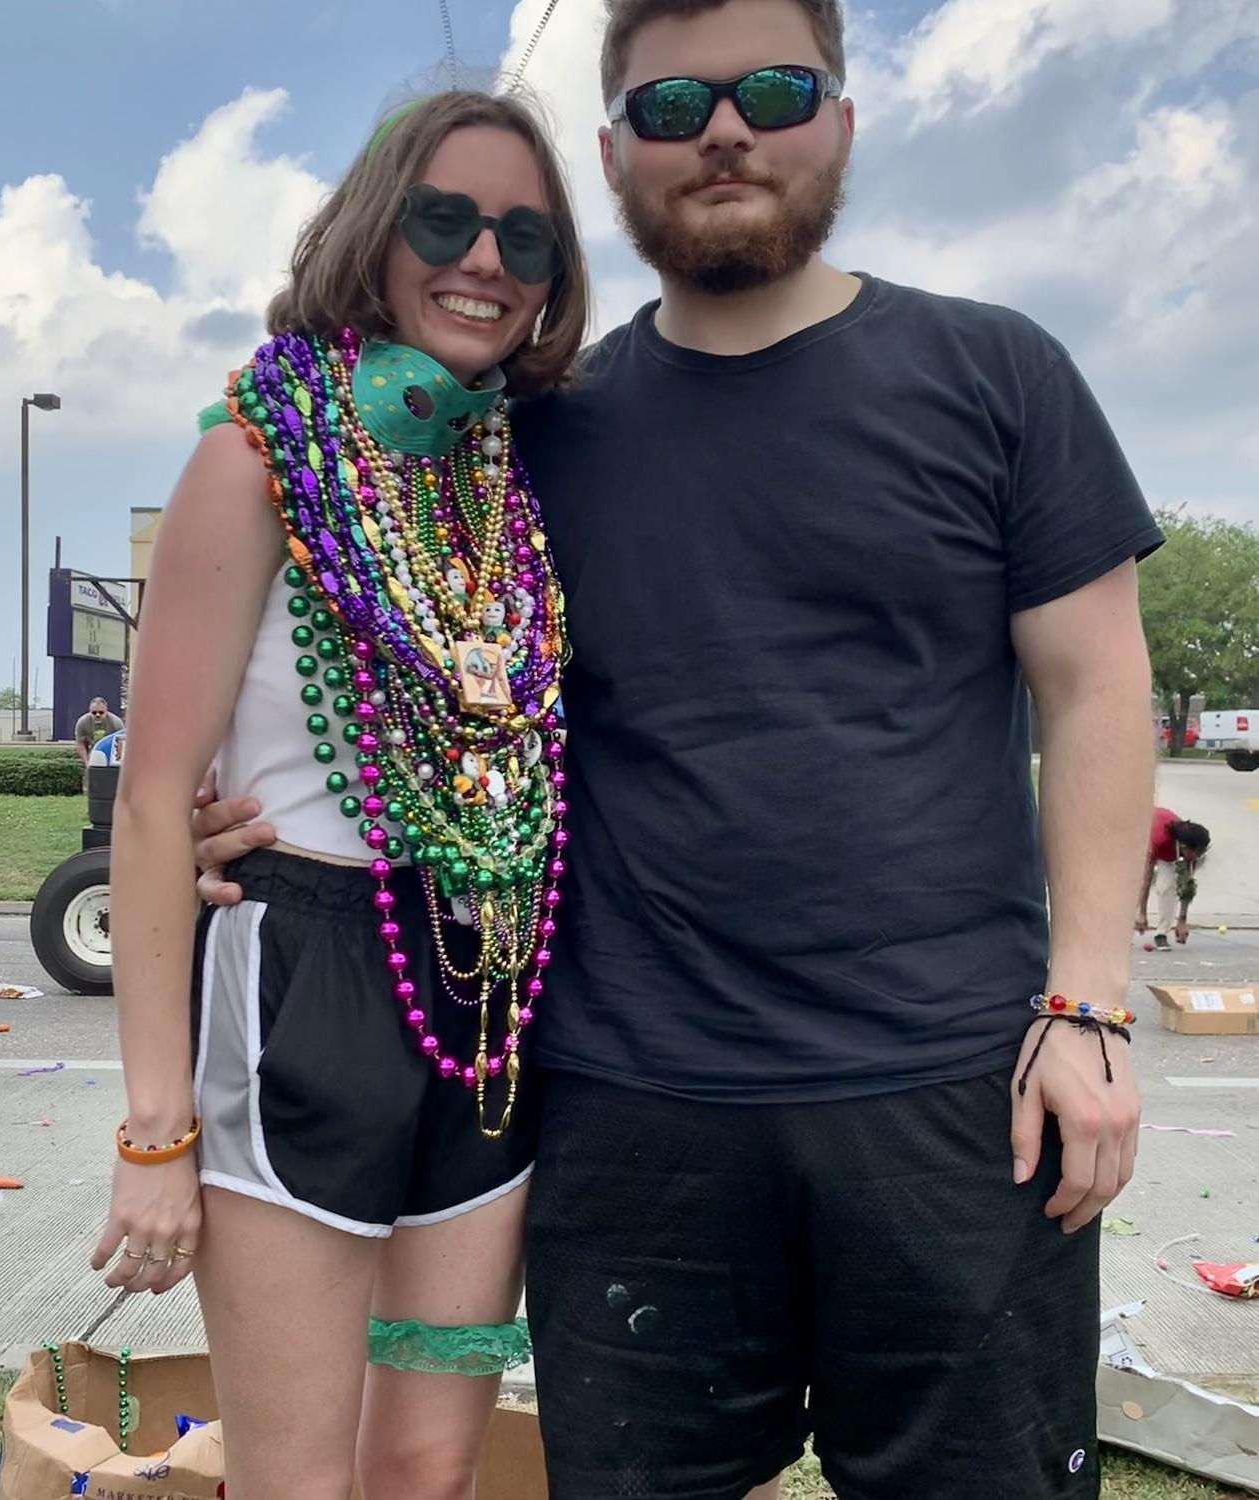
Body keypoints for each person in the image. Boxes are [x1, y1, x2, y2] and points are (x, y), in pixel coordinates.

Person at [195, 2, 1161, 1496]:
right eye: (673, 106)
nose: (725, 129)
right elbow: (366, 639)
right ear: (612, 155)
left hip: (958, 1107)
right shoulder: (527, 434)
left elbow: (1098, 692)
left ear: (841, 117)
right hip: (630, 1119)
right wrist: (223, 818)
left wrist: (1090, 1007)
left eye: (776, 91)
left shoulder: (997, 375)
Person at [93, 88, 588, 1500]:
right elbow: (150, 805)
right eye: (446, 219)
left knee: (427, 1464)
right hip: (305, 968)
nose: (484, 260)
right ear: (374, 233)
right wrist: (152, 1134)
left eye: (526, 236)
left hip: (488, 987)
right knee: (297, 1479)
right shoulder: (255, 461)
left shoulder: (512, 474)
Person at [1137, 808, 1210, 949]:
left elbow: (1186, 886)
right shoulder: (1159, 840)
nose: (1198, 857)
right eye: (1197, 853)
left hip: (1170, 854)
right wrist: (1142, 913)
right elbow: (1146, 877)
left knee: (1167, 887)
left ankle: (1161, 934)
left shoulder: (1191, 850)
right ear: (1185, 847)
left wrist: (1182, 921)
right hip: (1141, 836)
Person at [73, 697, 124, 770]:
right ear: (89, 711)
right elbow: (80, 744)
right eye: (94, 712)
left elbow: (121, 743)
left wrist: (118, 761)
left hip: (112, 754)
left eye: (101, 712)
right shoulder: (82, 722)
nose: (97, 715)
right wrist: (87, 764)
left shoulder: (116, 722)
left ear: (106, 711)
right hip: (94, 753)